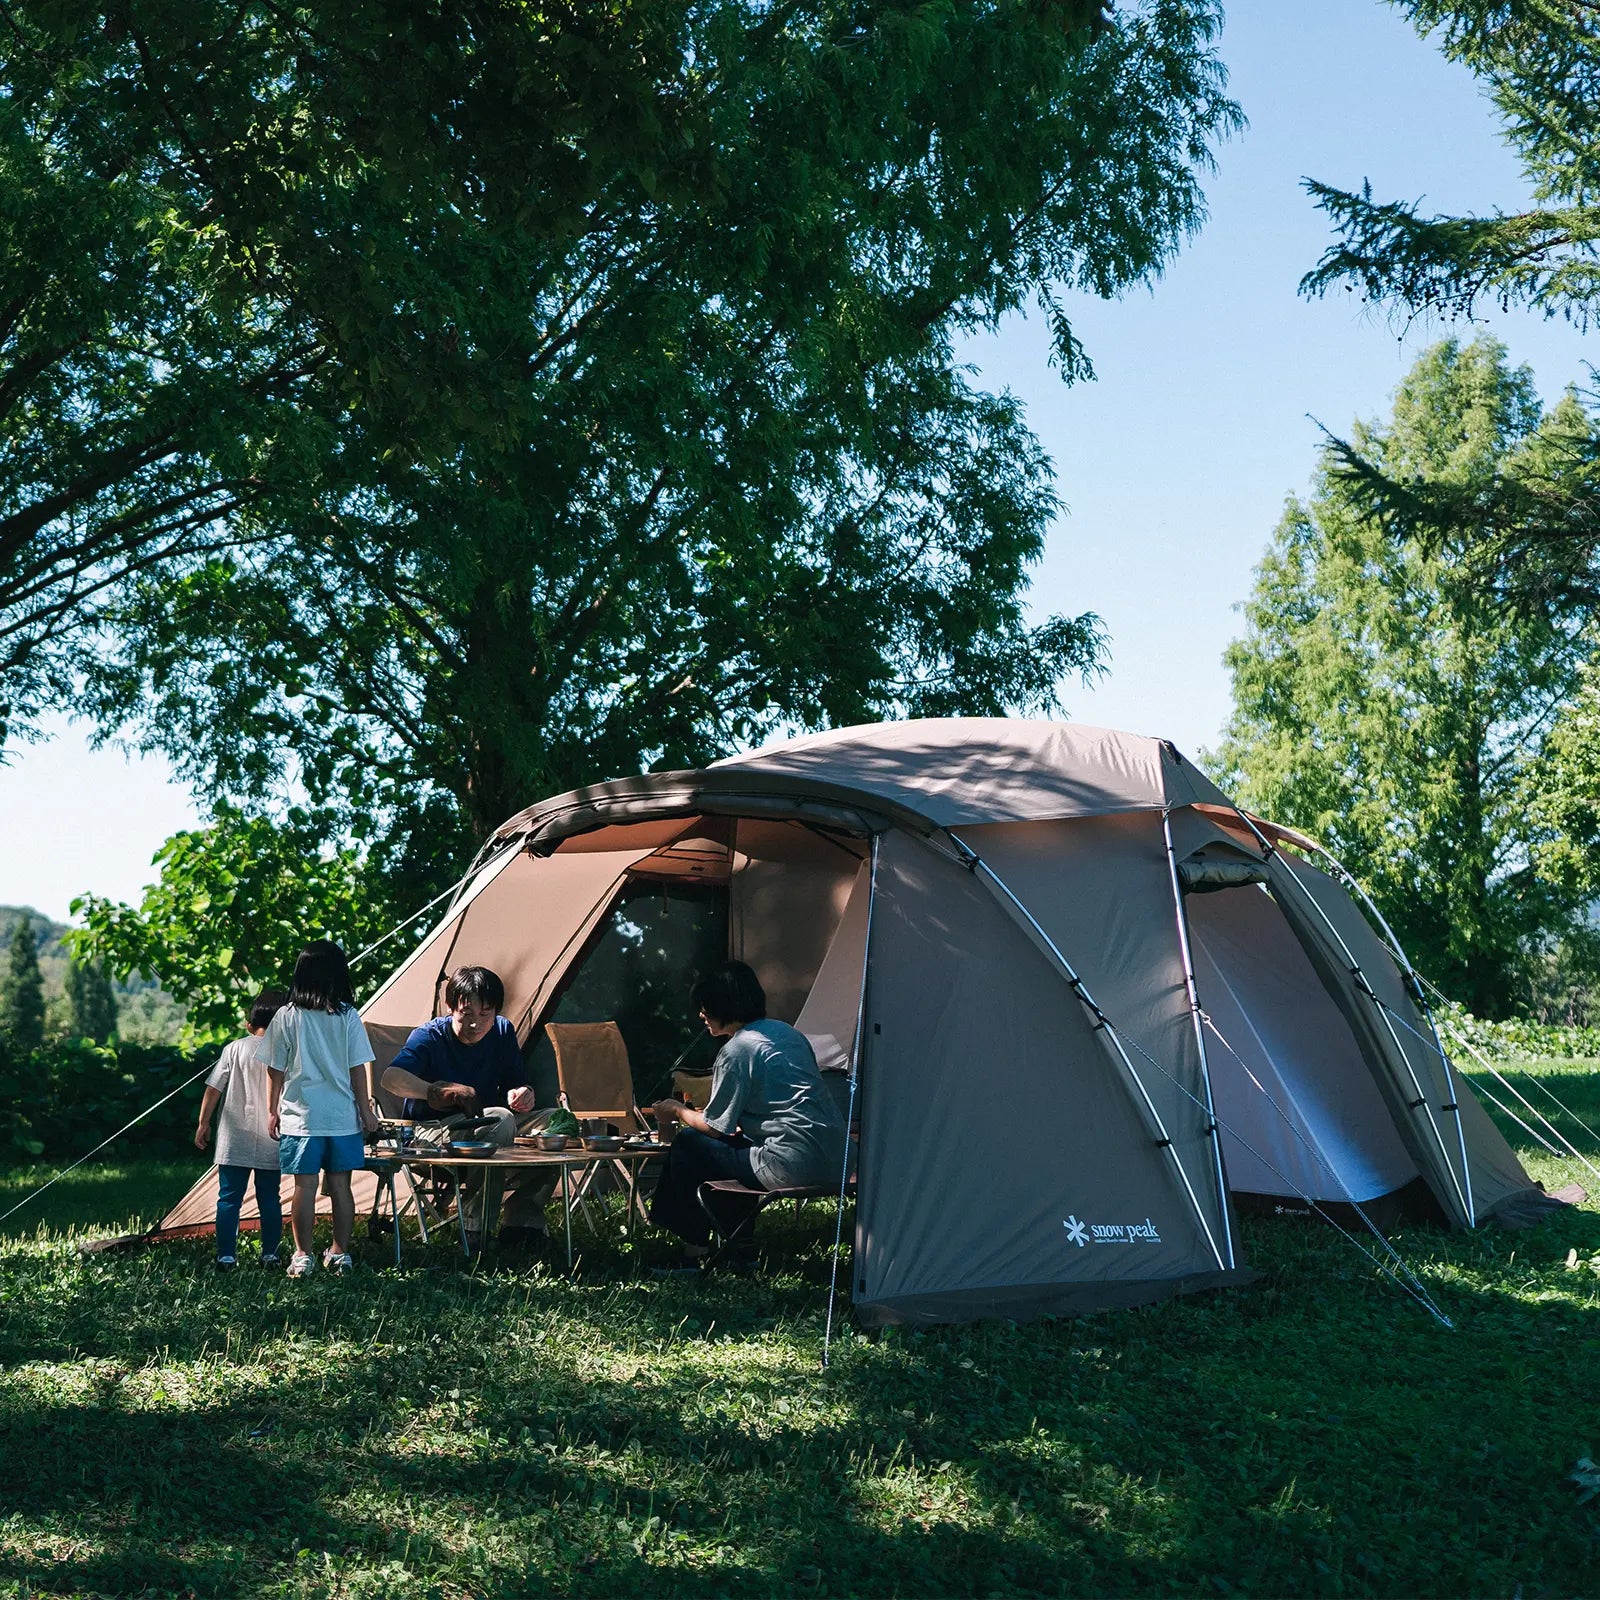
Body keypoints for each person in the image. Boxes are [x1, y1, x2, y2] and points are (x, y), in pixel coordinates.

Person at [650, 960, 847, 1265]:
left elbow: (715, 1128)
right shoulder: (788, 1034)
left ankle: (693, 1252)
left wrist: (676, 1110)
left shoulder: (738, 1049)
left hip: (792, 1164)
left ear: (721, 1005)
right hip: (839, 1158)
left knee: (690, 1145)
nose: (701, 1014)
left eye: (705, 1006)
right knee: (731, 1151)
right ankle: (739, 1247)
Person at [389, 965, 553, 1250]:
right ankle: (475, 1230)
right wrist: (436, 1091)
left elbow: (518, 1081)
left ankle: (521, 1221)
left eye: (485, 1014)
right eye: (467, 1014)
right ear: (451, 1008)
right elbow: (390, 1078)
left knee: (554, 1121)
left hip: (490, 1127)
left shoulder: (502, 1031)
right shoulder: (429, 1036)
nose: (475, 1023)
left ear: (496, 1012)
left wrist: (523, 1093)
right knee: (499, 1119)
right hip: (431, 1133)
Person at [259, 939, 380, 1277]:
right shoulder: (348, 1016)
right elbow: (358, 1067)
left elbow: (274, 1069)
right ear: (339, 975)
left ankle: (302, 1255)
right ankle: (340, 1253)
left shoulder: (285, 1017)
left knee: (304, 1188)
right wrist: (366, 1110)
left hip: (301, 1120)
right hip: (342, 1119)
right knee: (341, 1187)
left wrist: (272, 1109)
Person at [195, 988, 287, 1270]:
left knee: (229, 1198)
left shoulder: (234, 1049)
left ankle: (226, 1255)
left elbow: (213, 1088)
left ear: (249, 1025)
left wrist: (203, 1123)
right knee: (270, 1198)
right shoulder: (285, 1050)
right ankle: (270, 1254)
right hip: (273, 1134)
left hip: (234, 1138)